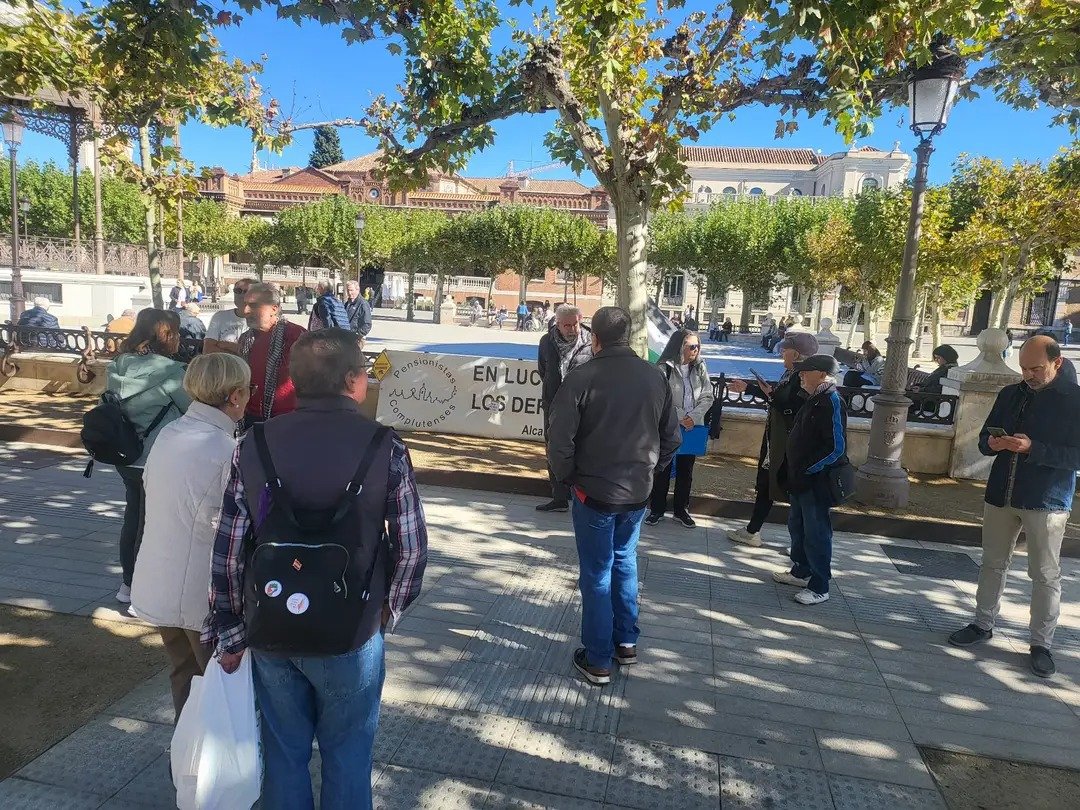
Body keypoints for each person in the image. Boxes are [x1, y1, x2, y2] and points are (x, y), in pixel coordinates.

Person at [203, 328, 428, 809]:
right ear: (353, 380)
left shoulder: (253, 443)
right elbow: (410, 548)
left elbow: (228, 547)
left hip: (271, 623)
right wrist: (388, 613)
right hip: (353, 628)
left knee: (283, 753)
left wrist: (229, 627)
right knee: (348, 754)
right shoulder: (384, 446)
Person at [547, 307, 681, 685]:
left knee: (597, 571)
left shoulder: (580, 378)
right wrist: (651, 471)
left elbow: (559, 440)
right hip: (636, 492)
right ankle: (626, 642)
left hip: (595, 492)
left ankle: (598, 658)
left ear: (595, 338)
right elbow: (672, 438)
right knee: (624, 562)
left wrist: (569, 477)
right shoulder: (655, 377)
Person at [948, 336, 1080, 678]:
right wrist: (991, 444)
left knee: (1045, 574)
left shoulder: (1075, 401)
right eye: (1023, 368)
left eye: (1036, 368)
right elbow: (982, 439)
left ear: (1057, 363)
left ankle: (1041, 644)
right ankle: (982, 623)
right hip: (1001, 493)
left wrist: (1033, 447)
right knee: (992, 563)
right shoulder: (1010, 393)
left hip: (1046, 499)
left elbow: (1075, 456)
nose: (1028, 375)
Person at [130, 353, 250, 719]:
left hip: (157, 579)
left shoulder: (170, 433)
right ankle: (208, 765)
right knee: (218, 682)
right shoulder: (227, 451)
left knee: (183, 673)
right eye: (247, 390)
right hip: (202, 594)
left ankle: (185, 760)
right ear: (233, 396)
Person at [105, 309, 191, 604]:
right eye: (177, 332)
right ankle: (136, 587)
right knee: (150, 524)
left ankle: (128, 583)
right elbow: (193, 409)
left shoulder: (117, 366)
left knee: (134, 518)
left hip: (125, 454)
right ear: (166, 335)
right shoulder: (172, 373)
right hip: (157, 458)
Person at [726, 332, 818, 546]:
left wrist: (772, 396)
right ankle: (753, 530)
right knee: (767, 484)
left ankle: (802, 545)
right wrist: (750, 388)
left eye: (784, 350)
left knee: (786, 487)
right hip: (776, 440)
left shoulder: (802, 377)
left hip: (787, 445)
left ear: (796, 354)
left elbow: (791, 407)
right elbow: (779, 399)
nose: (781, 354)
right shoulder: (791, 374)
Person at [773, 353, 847, 605]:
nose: (801, 375)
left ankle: (819, 585)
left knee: (816, 532)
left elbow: (836, 447)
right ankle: (801, 570)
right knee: (798, 526)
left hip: (816, 482)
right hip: (800, 481)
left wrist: (808, 469)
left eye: (807, 371)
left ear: (823, 374)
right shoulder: (813, 399)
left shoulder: (831, 401)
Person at [646, 329, 714, 528]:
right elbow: (659, 399)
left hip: (692, 426)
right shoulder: (663, 368)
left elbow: (707, 395)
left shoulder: (700, 367)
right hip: (668, 426)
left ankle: (681, 509)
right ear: (679, 347)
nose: (695, 350)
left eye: (698, 346)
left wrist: (692, 417)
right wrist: (680, 416)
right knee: (663, 468)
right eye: (691, 346)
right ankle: (656, 509)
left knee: (686, 469)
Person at [536, 305, 593, 513]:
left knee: (584, 450)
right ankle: (559, 497)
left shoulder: (592, 341)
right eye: (566, 325)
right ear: (557, 324)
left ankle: (582, 497)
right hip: (554, 405)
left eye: (574, 324)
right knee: (554, 449)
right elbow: (543, 369)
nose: (571, 329)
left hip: (585, 407)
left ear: (580, 320)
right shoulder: (546, 341)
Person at [239, 282, 306, 428]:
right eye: (245, 304)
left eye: (253, 305)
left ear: (274, 309)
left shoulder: (296, 336)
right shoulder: (245, 339)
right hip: (249, 417)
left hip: (287, 419)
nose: (245, 310)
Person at [204, 278, 255, 355]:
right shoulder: (220, 316)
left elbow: (257, 353)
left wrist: (228, 346)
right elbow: (208, 350)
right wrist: (240, 351)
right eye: (238, 291)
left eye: (246, 291)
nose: (241, 295)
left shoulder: (261, 320)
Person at [344, 280, 374, 344]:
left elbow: (367, 324)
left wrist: (358, 334)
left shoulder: (363, 304)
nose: (349, 292)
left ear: (357, 290)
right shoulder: (347, 303)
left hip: (357, 339)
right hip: (347, 337)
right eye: (348, 290)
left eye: (351, 290)